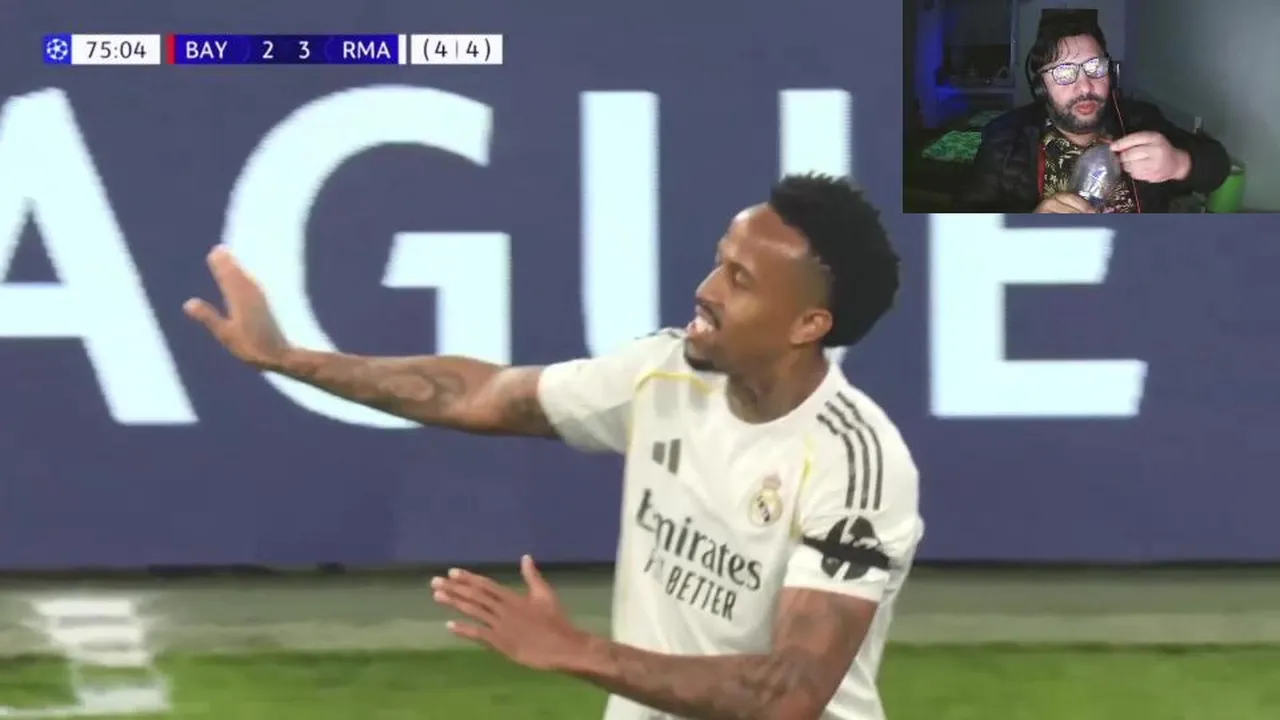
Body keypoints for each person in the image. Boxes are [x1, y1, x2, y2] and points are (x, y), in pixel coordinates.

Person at [185, 173, 922, 720]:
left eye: (740, 279)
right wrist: (289, 359)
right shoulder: (663, 374)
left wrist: (574, 650)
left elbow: (790, 694)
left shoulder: (855, 464)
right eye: (717, 261)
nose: (706, 289)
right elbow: (482, 394)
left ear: (808, 325)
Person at [960, 16, 1229, 213]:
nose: (1085, 87)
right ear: (1041, 87)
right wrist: (1027, 228)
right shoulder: (1004, 136)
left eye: (1095, 67)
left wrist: (1179, 163)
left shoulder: (1140, 120)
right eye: (1064, 72)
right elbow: (963, 223)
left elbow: (1219, 165)